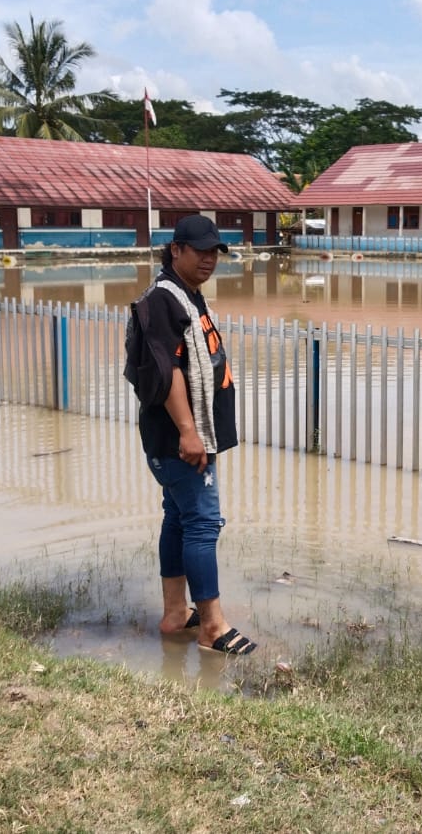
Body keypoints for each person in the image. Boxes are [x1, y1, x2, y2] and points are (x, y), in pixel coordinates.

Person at [137, 214, 256, 655]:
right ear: (176, 250)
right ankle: (212, 627)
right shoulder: (164, 300)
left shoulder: (186, 296)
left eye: (214, 252)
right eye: (199, 251)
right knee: (203, 525)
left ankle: (174, 613)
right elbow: (165, 370)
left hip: (184, 436)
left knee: (179, 518)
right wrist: (190, 432)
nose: (208, 259)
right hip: (180, 440)